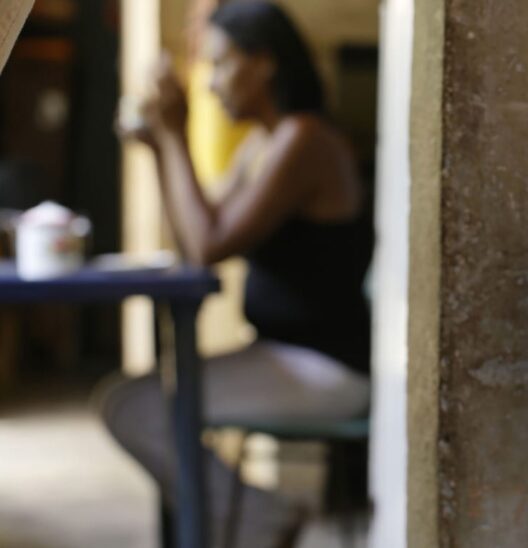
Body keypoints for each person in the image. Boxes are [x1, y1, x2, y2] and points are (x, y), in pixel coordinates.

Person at [98, 2, 373, 546]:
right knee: (129, 402)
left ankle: (261, 517)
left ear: (264, 63)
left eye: (221, 65)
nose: (212, 85)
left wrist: (175, 133)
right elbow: (195, 232)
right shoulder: (263, 143)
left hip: (326, 368)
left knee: (135, 407)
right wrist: (159, 147)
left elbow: (206, 247)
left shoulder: (304, 139)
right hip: (281, 353)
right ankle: (254, 516)